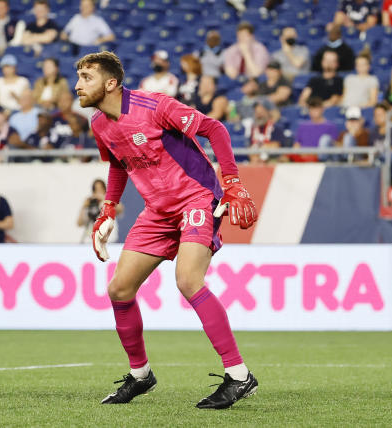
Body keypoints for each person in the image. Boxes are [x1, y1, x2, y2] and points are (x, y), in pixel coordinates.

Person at [75, 51, 258, 408]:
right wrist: (109, 207)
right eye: (79, 77)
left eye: (86, 77)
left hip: (196, 199)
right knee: (119, 289)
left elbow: (215, 129)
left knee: (188, 280)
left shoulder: (155, 106)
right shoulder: (99, 124)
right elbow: (117, 163)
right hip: (157, 211)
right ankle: (141, 375)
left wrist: (232, 181)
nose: (78, 85)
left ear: (110, 83)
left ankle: (239, 376)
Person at [77, 179, 124, 243]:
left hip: (108, 240)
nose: (98, 191)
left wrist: (104, 198)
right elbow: (79, 223)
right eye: (96, 189)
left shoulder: (109, 201)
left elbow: (120, 209)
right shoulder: (90, 203)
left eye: (100, 189)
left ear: (104, 189)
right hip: (91, 240)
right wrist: (84, 206)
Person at [249, 99, 291, 164]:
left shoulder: (276, 128)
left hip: (272, 161)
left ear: (268, 112)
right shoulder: (253, 129)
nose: (259, 115)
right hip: (256, 161)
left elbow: (276, 146)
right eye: (256, 113)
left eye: (261, 112)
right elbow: (250, 147)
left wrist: (260, 148)